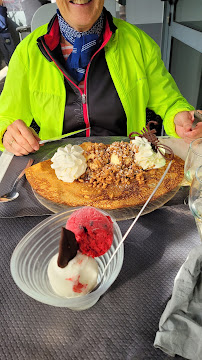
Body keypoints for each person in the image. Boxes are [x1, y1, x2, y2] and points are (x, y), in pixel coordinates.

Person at [0, 0, 201, 156]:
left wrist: (180, 118)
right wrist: (8, 136)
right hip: (59, 171)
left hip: (127, 168)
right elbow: (5, 119)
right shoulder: (27, 53)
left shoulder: (139, 44)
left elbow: (169, 102)